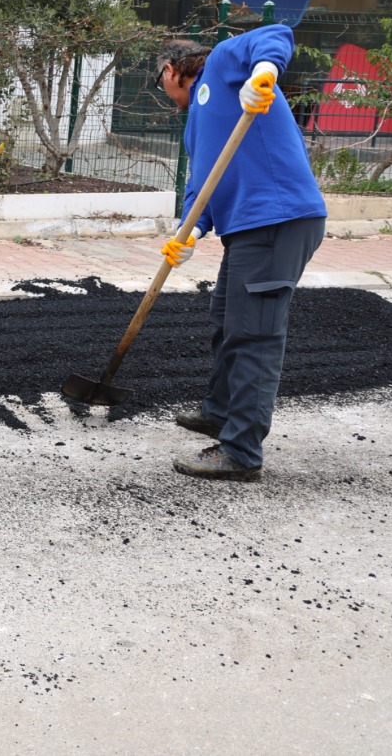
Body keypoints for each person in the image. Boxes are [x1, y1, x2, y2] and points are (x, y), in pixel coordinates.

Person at [157, 24, 326, 482]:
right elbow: (201, 190)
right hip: (247, 229)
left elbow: (275, 33)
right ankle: (219, 411)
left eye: (162, 84)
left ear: (171, 70)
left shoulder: (227, 61)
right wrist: (187, 234)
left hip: (278, 218)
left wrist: (265, 72)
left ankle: (241, 450)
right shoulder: (196, 125)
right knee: (226, 321)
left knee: (254, 335)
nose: (166, 93)